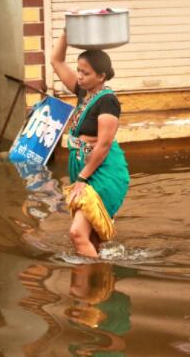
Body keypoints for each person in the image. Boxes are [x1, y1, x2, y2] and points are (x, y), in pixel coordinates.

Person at [51, 29, 130, 258]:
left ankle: (97, 281)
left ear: (102, 76)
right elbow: (56, 60)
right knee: (91, 237)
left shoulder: (108, 102)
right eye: (78, 70)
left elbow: (103, 145)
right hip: (86, 169)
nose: (79, 76)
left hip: (103, 172)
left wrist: (82, 179)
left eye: (85, 72)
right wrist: (67, 31)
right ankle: (95, 287)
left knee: (77, 233)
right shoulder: (83, 93)